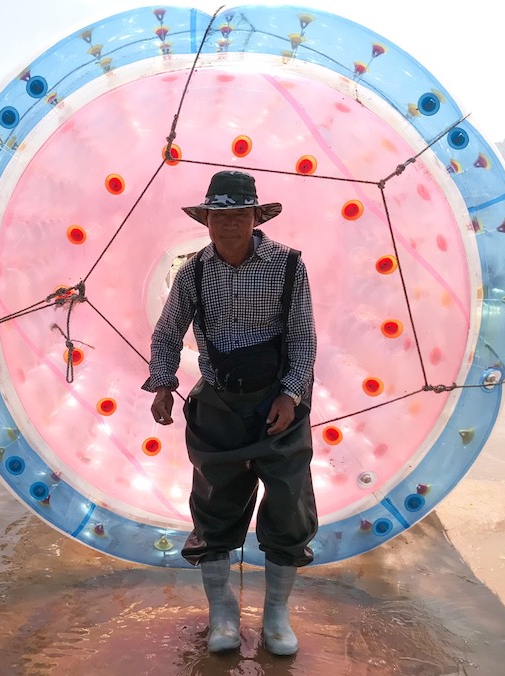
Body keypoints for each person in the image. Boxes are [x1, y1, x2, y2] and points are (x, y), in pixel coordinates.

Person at [143, 170, 317, 656]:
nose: (229, 225)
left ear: (255, 216)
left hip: (278, 403)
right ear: (207, 220)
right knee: (215, 506)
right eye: (219, 216)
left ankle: (277, 618)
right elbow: (167, 333)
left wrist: (291, 394)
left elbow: (303, 338)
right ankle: (224, 613)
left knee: (288, 503)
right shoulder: (194, 271)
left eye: (239, 214)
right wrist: (162, 383)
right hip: (218, 403)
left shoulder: (288, 267)